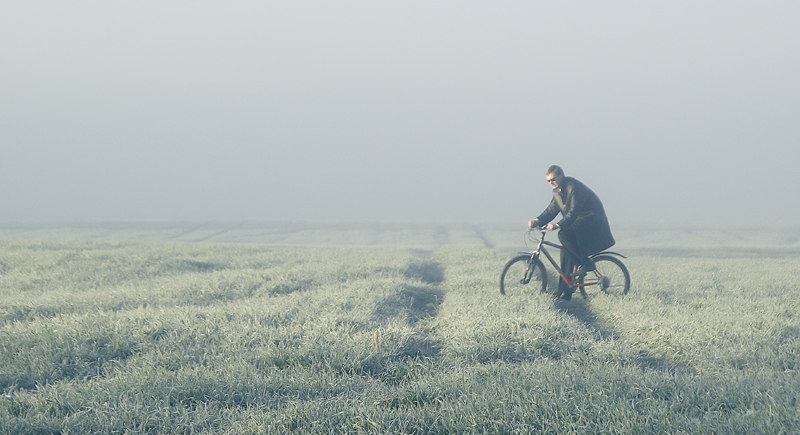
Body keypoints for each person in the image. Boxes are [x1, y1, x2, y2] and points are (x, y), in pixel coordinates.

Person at [528, 165, 615, 300]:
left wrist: (557, 225)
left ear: (561, 176)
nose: (551, 183)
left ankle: (585, 263)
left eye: (553, 179)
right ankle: (564, 290)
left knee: (563, 234)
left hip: (591, 219)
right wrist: (537, 220)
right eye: (548, 181)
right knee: (565, 252)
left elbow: (574, 212)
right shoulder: (557, 191)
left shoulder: (574, 187)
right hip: (579, 221)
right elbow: (551, 210)